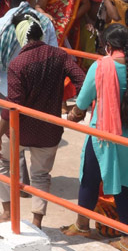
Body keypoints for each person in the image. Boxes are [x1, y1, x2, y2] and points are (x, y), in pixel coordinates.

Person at [0, 12, 85, 228]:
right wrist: (79, 109)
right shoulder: (59, 55)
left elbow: (12, 106)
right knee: (41, 175)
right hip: (49, 131)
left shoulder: (18, 64)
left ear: (21, 37)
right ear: (41, 34)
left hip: (20, 129)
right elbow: (81, 79)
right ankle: (37, 222)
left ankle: (7, 212)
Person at [66, 23, 128, 243]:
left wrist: (72, 115)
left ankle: (84, 226)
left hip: (103, 135)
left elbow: (82, 101)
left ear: (108, 46)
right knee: (123, 182)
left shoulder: (101, 66)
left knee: (90, 178)